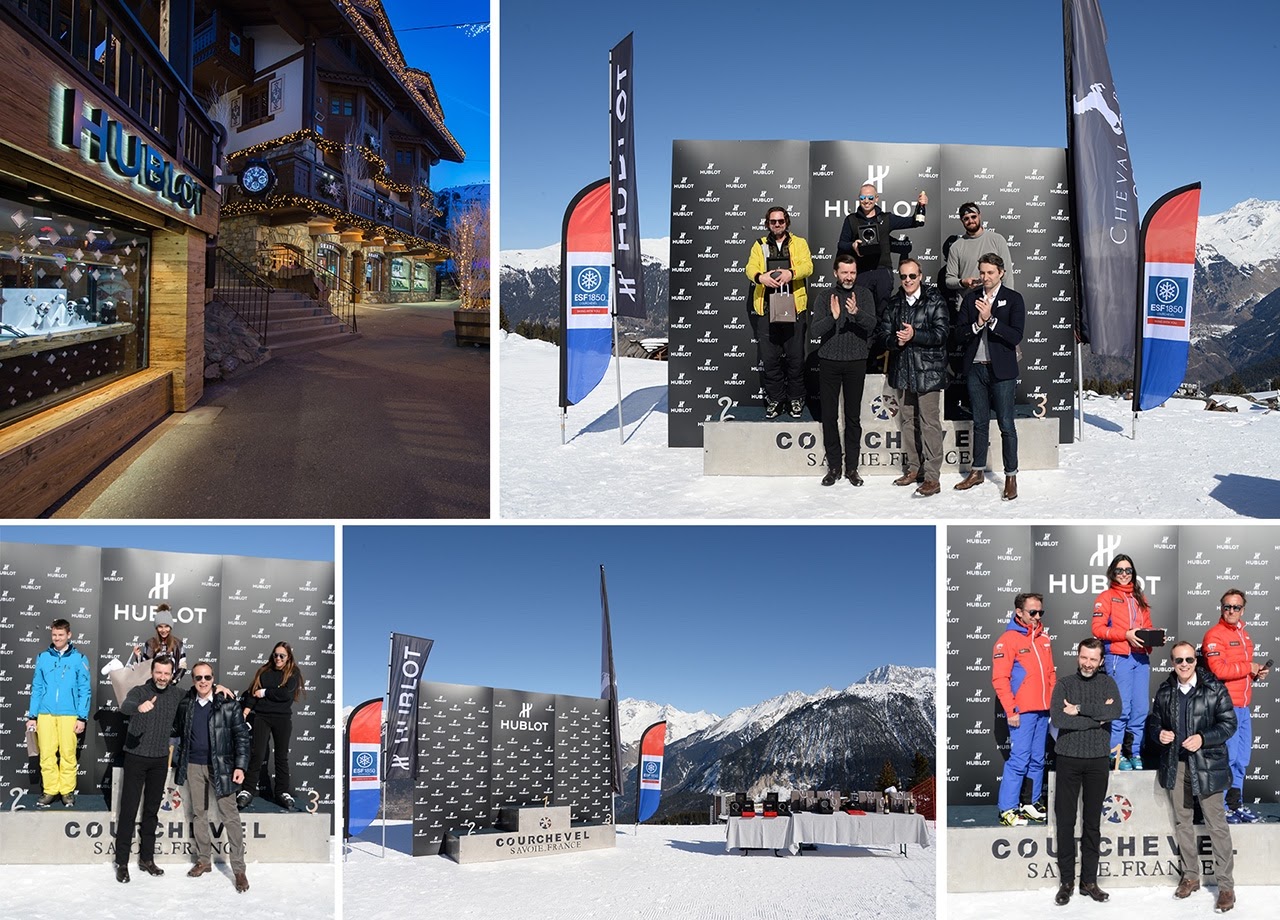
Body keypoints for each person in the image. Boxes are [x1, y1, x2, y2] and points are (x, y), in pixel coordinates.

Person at [1145, 641, 1238, 913]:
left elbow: (1229, 724)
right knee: (1182, 822)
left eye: (1188, 659)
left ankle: (1226, 886)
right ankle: (1190, 876)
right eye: (1178, 661)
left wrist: (1203, 738)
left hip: (1207, 765)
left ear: (1196, 661)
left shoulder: (1214, 688)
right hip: (1177, 765)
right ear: (1172, 663)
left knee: (1216, 824)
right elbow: (1155, 722)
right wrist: (1158, 734)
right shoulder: (1165, 691)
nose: (1184, 665)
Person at [1050, 638, 1121, 906]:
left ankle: (1089, 882)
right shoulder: (1065, 684)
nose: (1088, 663)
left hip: (1097, 761)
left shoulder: (1108, 684)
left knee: (1092, 823)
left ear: (1101, 661)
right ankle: (1066, 882)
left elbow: (1114, 711)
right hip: (1067, 758)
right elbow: (1058, 718)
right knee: (1066, 822)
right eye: (1084, 657)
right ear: (1077, 656)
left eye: (1093, 659)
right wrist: (1096, 719)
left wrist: (1079, 709)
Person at [174, 662, 252, 892]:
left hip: (222, 767)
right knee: (199, 814)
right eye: (198, 677)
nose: (203, 681)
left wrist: (240, 766)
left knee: (231, 817)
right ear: (193, 680)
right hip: (193, 766)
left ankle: (239, 869)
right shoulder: (186, 704)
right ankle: (204, 861)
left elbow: (242, 737)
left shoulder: (228, 704)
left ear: (213, 678)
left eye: (207, 677)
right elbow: (177, 731)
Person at [876, 257, 950, 496]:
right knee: (908, 421)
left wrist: (915, 334)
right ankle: (914, 469)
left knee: (929, 424)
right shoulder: (895, 303)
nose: (907, 280)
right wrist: (895, 341)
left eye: (912, 276)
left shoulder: (935, 299)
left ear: (920, 276)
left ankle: (932, 477)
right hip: (903, 370)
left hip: (928, 371)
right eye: (904, 276)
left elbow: (941, 334)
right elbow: (883, 334)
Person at [953, 253, 1024, 500]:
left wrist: (990, 320)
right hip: (975, 368)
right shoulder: (970, 298)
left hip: (1002, 370)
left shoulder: (1013, 299)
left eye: (990, 272)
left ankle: (1011, 476)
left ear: (1001, 273)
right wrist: (977, 324)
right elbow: (958, 334)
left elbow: (1015, 336)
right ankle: (977, 471)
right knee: (980, 423)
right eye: (982, 272)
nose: (985, 277)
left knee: (1006, 424)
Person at [1202, 588, 1270, 823]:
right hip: (1225, 708)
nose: (1231, 611)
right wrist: (1248, 668)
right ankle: (1220, 809)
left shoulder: (1245, 634)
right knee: (1227, 759)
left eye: (1236, 607)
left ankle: (1235, 805)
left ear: (1243, 609)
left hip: (1243, 706)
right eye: (1227, 606)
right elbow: (1219, 670)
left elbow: (1242, 669)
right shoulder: (1214, 635)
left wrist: (1255, 674)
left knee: (1242, 760)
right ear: (1221, 608)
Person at [808, 253, 876, 486]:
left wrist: (856, 313)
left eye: (853, 272)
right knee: (829, 416)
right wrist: (833, 318)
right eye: (844, 272)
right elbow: (815, 331)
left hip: (856, 361)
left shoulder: (864, 295)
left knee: (853, 417)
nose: (849, 277)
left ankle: (852, 469)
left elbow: (872, 325)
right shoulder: (825, 296)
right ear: (835, 273)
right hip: (828, 362)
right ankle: (834, 467)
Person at [991, 593, 1055, 826]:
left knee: (1038, 759)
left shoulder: (1043, 638)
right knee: (1019, 759)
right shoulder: (1007, 639)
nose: (1037, 617)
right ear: (1019, 612)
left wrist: (1053, 704)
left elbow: (1050, 674)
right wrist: (1012, 710)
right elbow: (1000, 678)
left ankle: (1030, 803)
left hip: (1043, 710)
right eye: (1032, 613)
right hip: (1023, 711)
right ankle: (1007, 810)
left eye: (1041, 613)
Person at [744, 206, 813, 419]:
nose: (777, 225)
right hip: (766, 309)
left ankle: (795, 399)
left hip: (794, 307)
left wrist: (791, 273)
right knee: (770, 360)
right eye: (773, 221)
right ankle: (775, 400)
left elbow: (808, 267)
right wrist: (759, 277)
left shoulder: (799, 243)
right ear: (767, 223)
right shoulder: (759, 245)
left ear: (787, 222)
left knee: (795, 359)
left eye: (781, 221)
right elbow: (749, 268)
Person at [1091, 553, 1155, 770]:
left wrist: (1152, 638)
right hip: (1119, 657)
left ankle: (1134, 752)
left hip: (1141, 657)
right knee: (1122, 709)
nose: (1124, 574)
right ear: (1112, 573)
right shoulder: (1106, 597)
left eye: (1128, 570)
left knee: (1139, 710)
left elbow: (1146, 626)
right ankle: (1115, 754)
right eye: (1120, 570)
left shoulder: (1140, 598)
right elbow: (1098, 629)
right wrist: (1125, 634)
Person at [25, 618, 91, 808]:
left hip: (69, 714)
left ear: (69, 635)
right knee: (46, 753)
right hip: (45, 714)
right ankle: (50, 790)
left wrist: (81, 717)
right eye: (54, 635)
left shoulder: (79, 659)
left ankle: (67, 791)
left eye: (61, 635)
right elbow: (36, 687)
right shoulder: (43, 657)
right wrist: (32, 715)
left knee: (68, 754)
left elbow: (84, 690)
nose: (57, 638)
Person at [836, 184, 927, 317]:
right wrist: (853, 246)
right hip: (862, 272)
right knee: (861, 312)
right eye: (862, 197)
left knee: (883, 313)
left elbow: (916, 222)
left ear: (877, 198)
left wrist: (921, 205)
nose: (866, 201)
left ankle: (881, 337)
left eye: (870, 197)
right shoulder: (851, 219)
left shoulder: (886, 218)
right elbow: (841, 244)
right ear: (858, 199)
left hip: (883, 271)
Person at [239, 641, 306, 809]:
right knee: (258, 754)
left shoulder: (293, 672)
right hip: (262, 717)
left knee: (281, 756)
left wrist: (266, 692)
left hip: (282, 718)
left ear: (288, 656)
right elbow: (253, 693)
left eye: (282, 655)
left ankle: (282, 791)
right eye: (275, 655)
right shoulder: (264, 671)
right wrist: (246, 712)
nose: (278, 658)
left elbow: (286, 695)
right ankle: (248, 790)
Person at [944, 202, 1014, 307]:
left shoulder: (997, 240)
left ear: (979, 216)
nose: (971, 220)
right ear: (961, 220)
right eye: (966, 218)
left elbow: (1006, 275)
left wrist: (1007, 302)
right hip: (967, 306)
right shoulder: (956, 247)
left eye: (973, 216)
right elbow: (949, 280)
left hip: (994, 305)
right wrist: (963, 282)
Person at [134, 604, 186, 679]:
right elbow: (145, 668)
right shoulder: (150, 643)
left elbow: (182, 666)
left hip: (170, 686)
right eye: (160, 627)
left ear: (171, 627)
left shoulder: (178, 644)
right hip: (152, 685)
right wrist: (138, 656)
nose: (164, 630)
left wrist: (173, 682)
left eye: (166, 626)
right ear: (156, 627)